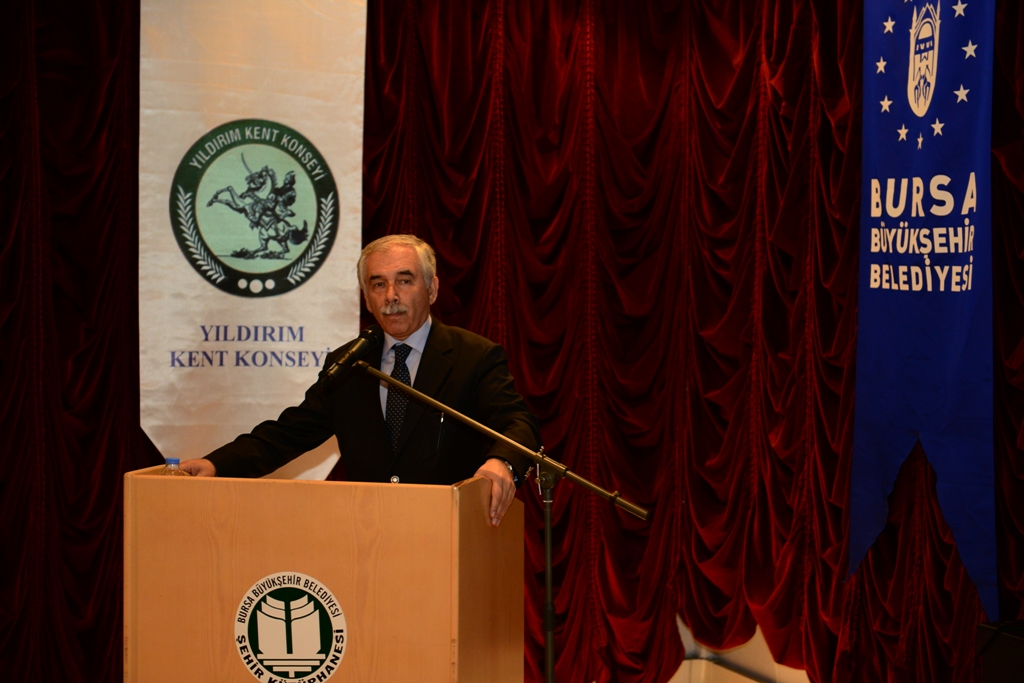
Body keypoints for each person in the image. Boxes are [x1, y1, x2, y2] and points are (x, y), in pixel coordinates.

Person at [181, 234, 540, 527]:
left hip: (448, 531)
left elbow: (518, 423)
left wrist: (502, 463)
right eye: (378, 284)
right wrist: (217, 465)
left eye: (404, 281)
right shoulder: (349, 364)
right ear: (367, 299)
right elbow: (287, 434)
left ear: (432, 289)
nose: (391, 296)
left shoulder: (473, 357)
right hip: (368, 534)